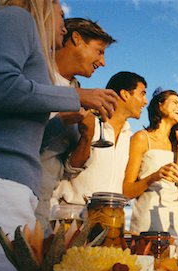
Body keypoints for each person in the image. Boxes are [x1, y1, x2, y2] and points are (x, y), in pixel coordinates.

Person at [0, 0, 118, 271]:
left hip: (14, 189)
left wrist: (63, 124)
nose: (63, 23)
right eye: (61, 14)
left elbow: (25, 138)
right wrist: (74, 97)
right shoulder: (15, 17)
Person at [35, 17, 116, 230]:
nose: (103, 62)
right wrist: (62, 119)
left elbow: (69, 169)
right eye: (99, 51)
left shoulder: (80, 91)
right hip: (13, 191)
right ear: (77, 39)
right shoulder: (34, 75)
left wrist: (87, 136)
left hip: (45, 205)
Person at [49, 72, 148, 206]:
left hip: (108, 216)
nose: (146, 101)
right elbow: (69, 167)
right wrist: (87, 136)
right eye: (142, 93)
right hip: (74, 214)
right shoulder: (87, 121)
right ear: (125, 94)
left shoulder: (127, 135)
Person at [124, 88, 178, 237]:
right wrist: (154, 176)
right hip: (148, 217)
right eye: (174, 102)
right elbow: (127, 190)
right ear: (159, 106)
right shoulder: (142, 138)